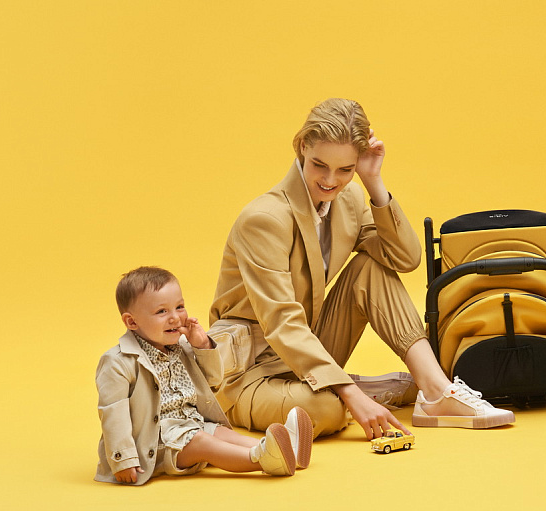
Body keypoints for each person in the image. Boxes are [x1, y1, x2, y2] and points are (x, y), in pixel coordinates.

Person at [208, 98, 515, 441]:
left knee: (370, 266)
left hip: (307, 350)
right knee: (326, 411)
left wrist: (373, 182)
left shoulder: (349, 200)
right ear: (302, 147)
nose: (330, 180)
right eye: (319, 165)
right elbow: (282, 323)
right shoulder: (264, 220)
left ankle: (436, 391)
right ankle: (352, 390)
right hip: (250, 374)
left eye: (345, 169)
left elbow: (403, 258)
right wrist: (351, 395)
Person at [95, 266, 313, 485]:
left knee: (223, 434)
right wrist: (123, 459)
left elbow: (213, 382)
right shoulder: (118, 361)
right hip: (156, 443)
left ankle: (288, 451)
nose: (175, 318)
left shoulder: (182, 347)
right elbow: (113, 412)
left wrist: (203, 346)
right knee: (201, 442)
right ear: (132, 322)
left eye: (179, 307)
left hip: (192, 424)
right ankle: (263, 460)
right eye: (162, 311)